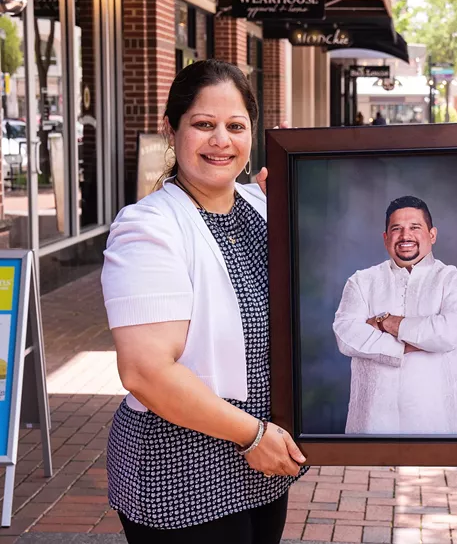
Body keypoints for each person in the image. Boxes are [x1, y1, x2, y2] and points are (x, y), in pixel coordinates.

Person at [101, 60, 307, 543]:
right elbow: (145, 370)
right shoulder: (147, 227)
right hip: (183, 475)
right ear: (170, 130)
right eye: (203, 124)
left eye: (235, 126)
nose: (221, 140)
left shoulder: (260, 206)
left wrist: (303, 212)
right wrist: (252, 436)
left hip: (262, 468)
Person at [333, 196, 457, 435]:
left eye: (415, 227)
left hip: (437, 425)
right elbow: (346, 335)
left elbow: (448, 333)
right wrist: (411, 346)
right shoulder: (361, 281)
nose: (405, 236)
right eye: (396, 229)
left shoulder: (456, 281)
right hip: (370, 425)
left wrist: (385, 322)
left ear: (432, 235)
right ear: (385, 238)